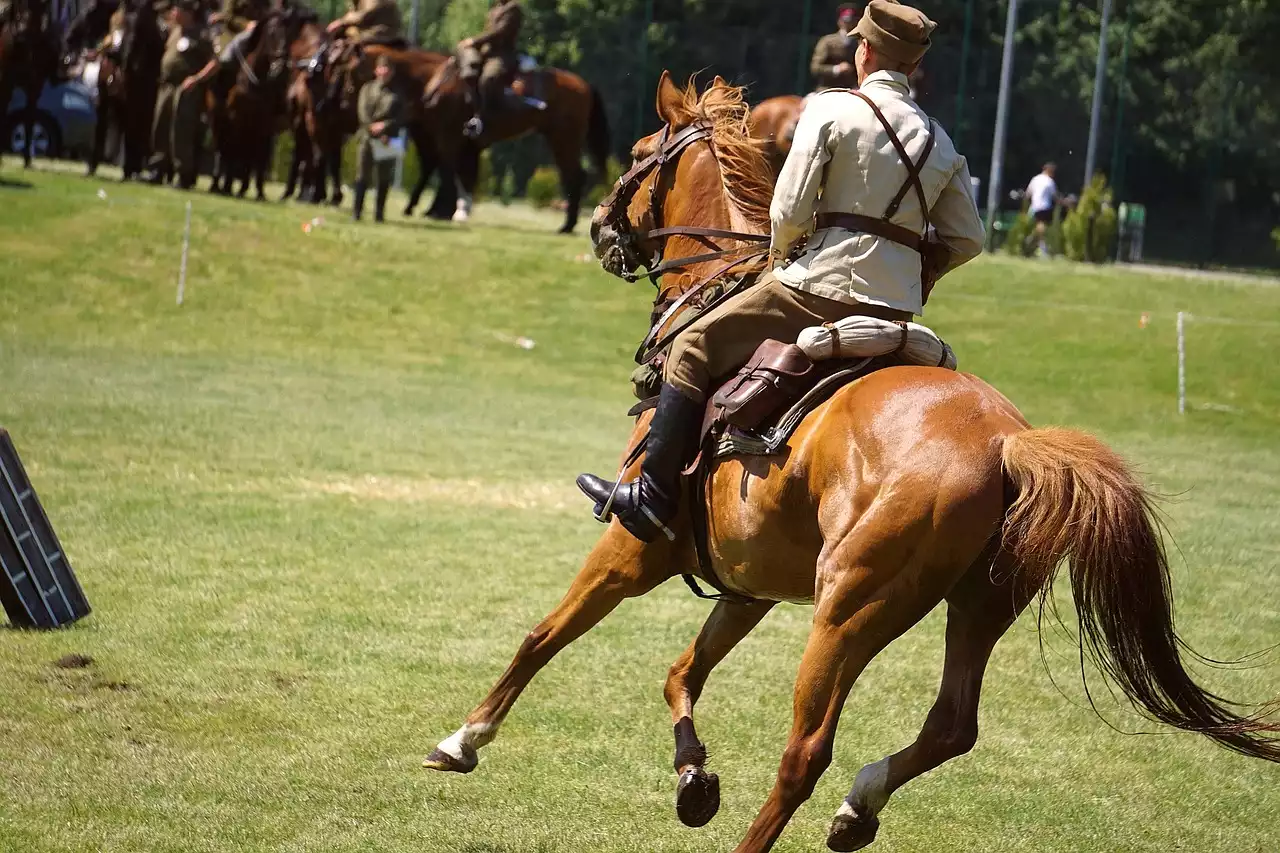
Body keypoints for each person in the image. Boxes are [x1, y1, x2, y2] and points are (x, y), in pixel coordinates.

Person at [577, 0, 986, 542]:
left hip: (815, 290)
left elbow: (787, 211)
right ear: (912, 66)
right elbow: (969, 238)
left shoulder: (832, 110)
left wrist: (783, 257)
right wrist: (922, 271)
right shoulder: (940, 140)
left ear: (863, 51)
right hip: (895, 309)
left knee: (692, 346)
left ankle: (651, 497)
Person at [146, 0, 213, 188]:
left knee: (180, 129)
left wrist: (197, 78)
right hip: (166, 85)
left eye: (178, 10)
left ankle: (182, 174)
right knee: (160, 125)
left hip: (185, 88)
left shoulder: (201, 34)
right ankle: (158, 169)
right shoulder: (174, 31)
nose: (174, 13)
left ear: (188, 13)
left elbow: (214, 62)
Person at [456, 0, 522, 139]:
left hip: (503, 55)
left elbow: (500, 33)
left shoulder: (513, 9)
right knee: (468, 72)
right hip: (487, 53)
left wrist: (474, 41)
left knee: (488, 78)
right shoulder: (495, 9)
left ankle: (483, 118)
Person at [353, 54, 404, 223]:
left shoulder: (398, 93)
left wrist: (385, 127)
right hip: (367, 137)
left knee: (384, 178)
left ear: (392, 72)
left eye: (388, 69)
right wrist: (371, 127)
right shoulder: (367, 88)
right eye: (381, 68)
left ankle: (379, 214)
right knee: (362, 175)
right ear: (376, 70)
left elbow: (402, 118)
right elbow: (362, 112)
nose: (384, 71)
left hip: (388, 139)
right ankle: (357, 212)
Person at [810, 3, 859, 92]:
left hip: (852, 89)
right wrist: (836, 69)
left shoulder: (859, 43)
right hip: (827, 89)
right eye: (846, 21)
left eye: (852, 21)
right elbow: (815, 68)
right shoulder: (827, 41)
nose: (848, 24)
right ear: (839, 21)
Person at [325, 0, 401, 46]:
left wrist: (341, 22)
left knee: (342, 36)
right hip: (378, 30)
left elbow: (366, 14)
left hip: (378, 32)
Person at [1024, 162, 1059, 257]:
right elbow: (1055, 196)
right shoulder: (1049, 181)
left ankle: (1032, 244)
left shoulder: (1035, 179)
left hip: (1034, 207)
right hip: (1045, 207)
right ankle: (1040, 247)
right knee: (1042, 228)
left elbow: (1028, 194)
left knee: (1037, 227)